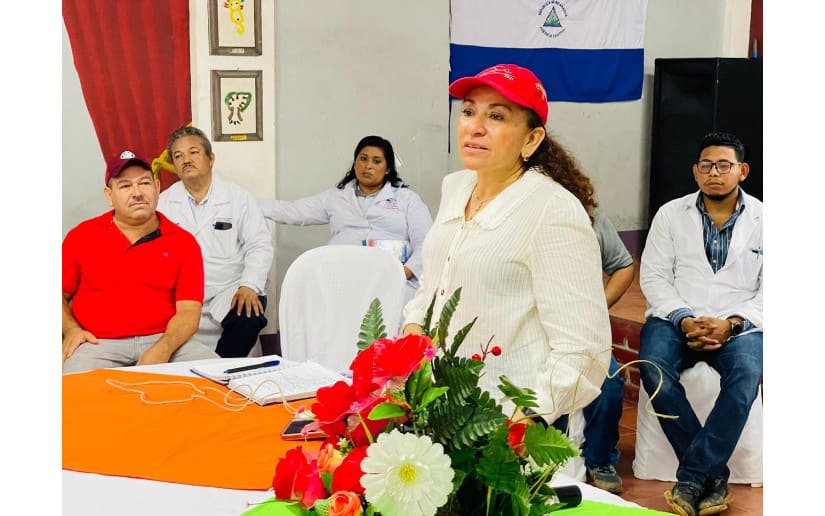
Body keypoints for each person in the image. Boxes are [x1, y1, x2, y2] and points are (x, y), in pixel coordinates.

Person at [402, 64, 611, 427]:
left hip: (507, 421)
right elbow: (435, 283)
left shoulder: (553, 209)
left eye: (496, 116)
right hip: (440, 408)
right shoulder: (456, 186)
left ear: (531, 139)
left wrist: (526, 419)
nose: (475, 126)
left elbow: (584, 350)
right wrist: (412, 331)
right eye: (469, 111)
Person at [638, 131, 762, 516]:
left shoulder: (768, 219)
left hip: (741, 321)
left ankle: (693, 477)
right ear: (695, 172)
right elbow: (654, 276)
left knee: (746, 375)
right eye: (706, 165)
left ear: (742, 171)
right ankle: (713, 475)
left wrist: (733, 324)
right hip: (676, 317)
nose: (714, 173)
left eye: (724, 165)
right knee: (653, 369)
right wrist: (684, 318)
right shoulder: (670, 214)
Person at [62, 150, 219, 373]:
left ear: (157, 187)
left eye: (144, 183)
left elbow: (188, 312)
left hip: (166, 340)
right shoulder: (81, 236)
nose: (137, 193)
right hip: (98, 343)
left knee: (218, 379)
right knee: (73, 389)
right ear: (109, 195)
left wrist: (163, 349)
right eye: (125, 186)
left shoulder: (183, 242)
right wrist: (71, 330)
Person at [259, 135, 433, 304]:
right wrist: (247, 203)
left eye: (377, 161)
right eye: (363, 159)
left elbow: (427, 243)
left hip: (393, 280)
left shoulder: (407, 199)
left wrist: (404, 272)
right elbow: (293, 211)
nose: (368, 166)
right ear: (355, 163)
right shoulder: (336, 197)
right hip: (342, 277)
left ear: (387, 168)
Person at [158, 126, 274, 358]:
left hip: (227, 287)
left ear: (210, 159)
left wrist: (248, 286)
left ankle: (220, 367)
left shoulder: (238, 197)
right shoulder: (163, 203)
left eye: (193, 153)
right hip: (181, 293)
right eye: (178, 156)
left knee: (250, 316)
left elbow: (259, 245)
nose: (186, 160)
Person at [580, 212, 635, 493]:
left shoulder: (592, 218)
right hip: (531, 325)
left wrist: (599, 306)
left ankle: (599, 459)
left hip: (583, 325)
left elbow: (623, 265)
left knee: (610, 380)